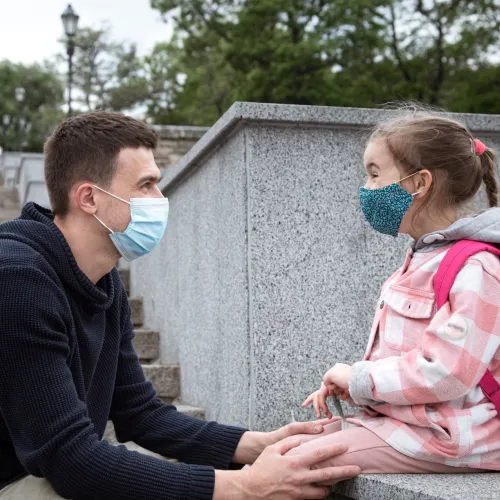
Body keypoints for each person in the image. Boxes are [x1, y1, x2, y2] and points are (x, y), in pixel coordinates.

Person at [0, 112, 360, 499]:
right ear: (89, 197)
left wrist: (261, 444)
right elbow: (70, 460)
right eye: (147, 185)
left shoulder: (102, 281)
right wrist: (246, 486)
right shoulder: (17, 279)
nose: (161, 199)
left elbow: (140, 414)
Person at [296, 106, 500, 474]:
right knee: (282, 445)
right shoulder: (421, 257)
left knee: (293, 462)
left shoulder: (477, 268)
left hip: (451, 437)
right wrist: (356, 386)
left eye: (374, 175)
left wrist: (360, 378)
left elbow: (448, 372)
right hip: (414, 425)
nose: (366, 188)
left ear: (420, 183)